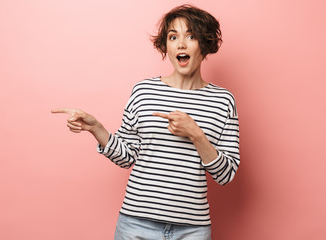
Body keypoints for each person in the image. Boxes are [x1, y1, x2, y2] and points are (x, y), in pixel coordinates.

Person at [52, 4, 240, 240]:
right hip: (135, 225)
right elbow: (127, 156)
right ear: (166, 46)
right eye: (173, 37)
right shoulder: (144, 92)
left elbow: (226, 174)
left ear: (205, 45)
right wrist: (96, 128)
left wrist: (196, 134)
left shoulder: (223, 101)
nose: (181, 44)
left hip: (192, 229)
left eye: (190, 36)